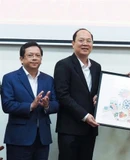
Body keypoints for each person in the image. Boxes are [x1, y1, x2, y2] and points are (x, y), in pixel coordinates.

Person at [1, 41, 59, 160]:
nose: (34, 58)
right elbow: (7, 105)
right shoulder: (10, 78)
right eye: (30, 55)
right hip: (18, 138)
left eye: (38, 56)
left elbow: (57, 104)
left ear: (41, 59)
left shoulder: (48, 79)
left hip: (42, 138)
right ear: (21, 59)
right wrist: (31, 106)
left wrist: (47, 105)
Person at [54, 28, 101, 160]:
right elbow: (62, 95)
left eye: (89, 41)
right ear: (73, 43)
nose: (85, 43)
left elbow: (98, 92)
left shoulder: (96, 67)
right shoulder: (63, 65)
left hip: (89, 130)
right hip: (70, 129)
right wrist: (85, 116)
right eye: (81, 40)